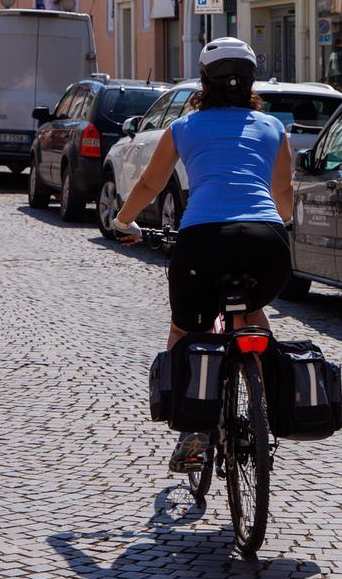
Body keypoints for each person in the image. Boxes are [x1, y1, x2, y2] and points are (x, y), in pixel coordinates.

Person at [110, 38, 293, 473]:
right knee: (252, 313)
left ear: (204, 81)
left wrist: (122, 223)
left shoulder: (185, 128)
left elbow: (150, 186)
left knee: (185, 328)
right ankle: (267, 411)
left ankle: (192, 431)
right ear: (250, 80)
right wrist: (276, 222)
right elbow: (283, 194)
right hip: (266, 243)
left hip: (203, 241)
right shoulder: (273, 129)